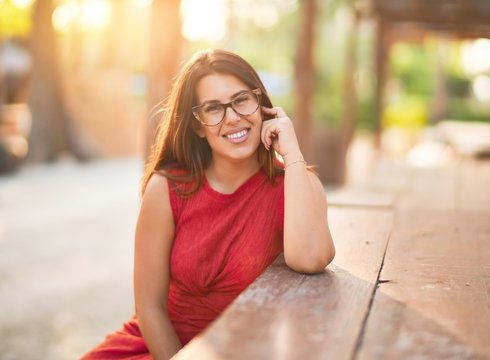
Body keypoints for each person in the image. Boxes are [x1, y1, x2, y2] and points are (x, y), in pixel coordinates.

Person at [81, 49, 335, 360]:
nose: (232, 118)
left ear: (262, 106)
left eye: (241, 100)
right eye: (213, 108)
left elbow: (311, 259)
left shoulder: (295, 184)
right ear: (198, 125)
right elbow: (149, 308)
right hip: (161, 349)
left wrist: (292, 153)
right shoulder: (167, 187)